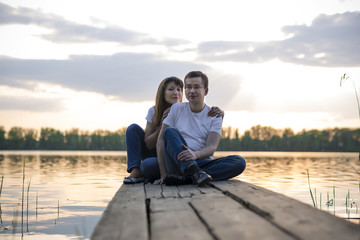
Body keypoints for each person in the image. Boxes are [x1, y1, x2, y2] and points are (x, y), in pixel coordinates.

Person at [124, 76, 224, 184]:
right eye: (171, 89)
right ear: (163, 93)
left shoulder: (182, 109)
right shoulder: (154, 111)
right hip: (156, 153)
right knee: (133, 129)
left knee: (148, 165)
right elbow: (148, 144)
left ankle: (189, 175)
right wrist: (162, 124)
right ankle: (136, 171)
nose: (176, 93)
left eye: (179, 89)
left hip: (176, 155)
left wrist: (221, 114)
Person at [153, 71, 246, 186]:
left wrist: (195, 155)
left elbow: (211, 147)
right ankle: (194, 172)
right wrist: (163, 174)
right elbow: (161, 140)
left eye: (196, 87)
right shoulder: (176, 108)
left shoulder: (215, 115)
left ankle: (187, 179)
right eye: (188, 87)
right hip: (178, 161)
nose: (192, 91)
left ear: (206, 91)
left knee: (239, 162)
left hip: (202, 161)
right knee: (169, 131)